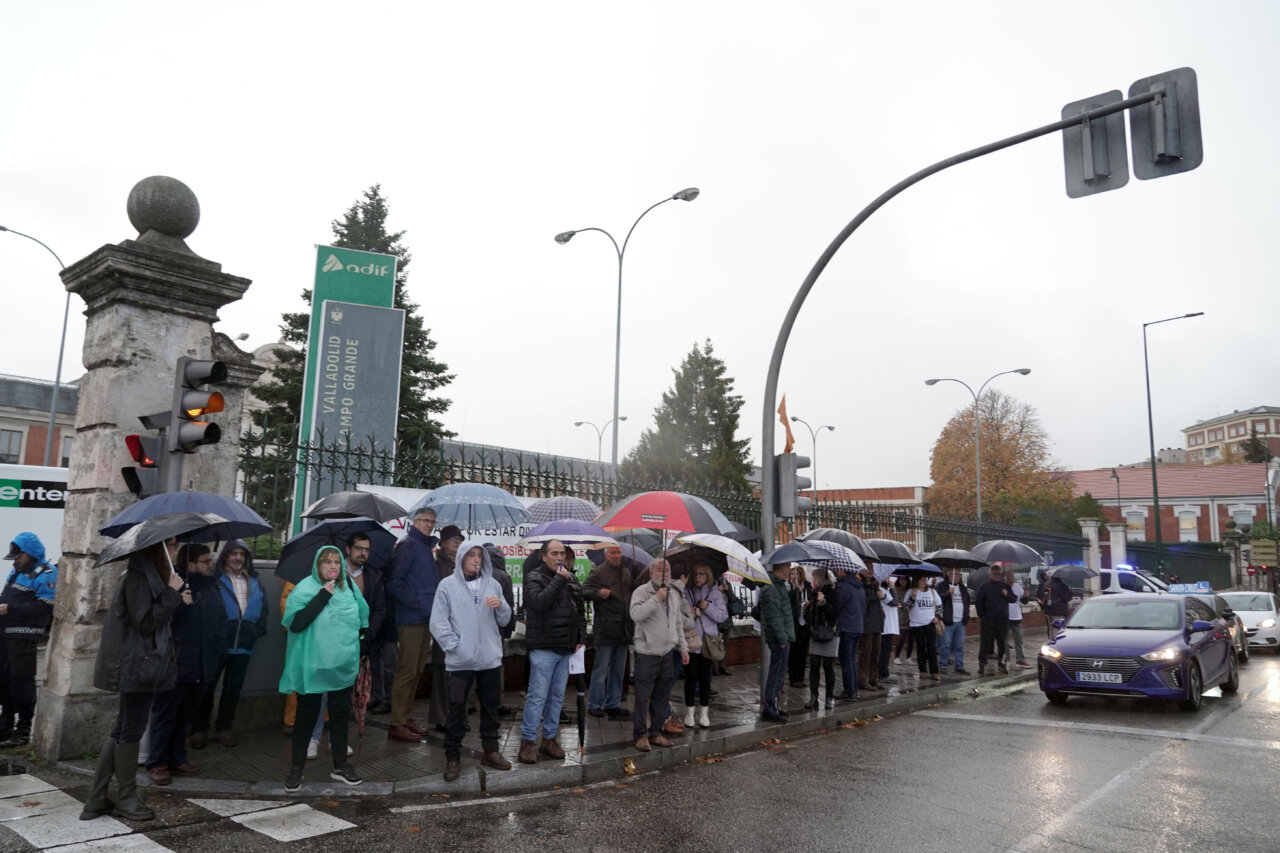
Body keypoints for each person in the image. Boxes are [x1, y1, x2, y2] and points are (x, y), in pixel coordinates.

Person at [82, 537, 184, 822]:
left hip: (139, 664)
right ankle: (126, 798)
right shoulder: (138, 577)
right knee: (130, 731)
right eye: (172, 544)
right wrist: (172, 594)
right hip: (137, 666)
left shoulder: (147, 576)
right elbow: (145, 622)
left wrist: (170, 593)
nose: (175, 549)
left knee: (122, 729)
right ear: (157, 549)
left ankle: (96, 798)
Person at [279, 545, 369, 793]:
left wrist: (360, 647)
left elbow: (362, 619)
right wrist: (321, 597)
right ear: (317, 565)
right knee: (305, 719)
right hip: (313, 667)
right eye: (326, 562)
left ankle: (340, 765)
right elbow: (295, 624)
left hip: (342, 667)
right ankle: (297, 768)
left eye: (336, 562)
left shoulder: (349, 588)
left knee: (340, 718)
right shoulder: (305, 589)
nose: (332, 567)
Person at [430, 540, 514, 781]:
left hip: (489, 660)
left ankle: (491, 751)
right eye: (471, 555)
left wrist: (501, 608)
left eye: (480, 555)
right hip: (461, 663)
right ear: (461, 558)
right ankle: (452, 758)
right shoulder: (447, 586)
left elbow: (505, 618)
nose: (476, 560)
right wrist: (455, 646)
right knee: (456, 710)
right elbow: (438, 622)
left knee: (491, 708)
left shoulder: (493, 584)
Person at [143, 544, 221, 785]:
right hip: (177, 661)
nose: (210, 565)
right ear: (191, 564)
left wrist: (217, 651)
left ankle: (178, 757)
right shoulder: (172, 584)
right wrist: (179, 603)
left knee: (186, 715)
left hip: (203, 662)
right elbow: (158, 621)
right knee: (165, 714)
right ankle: (157, 762)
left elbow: (218, 620)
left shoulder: (210, 586)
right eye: (205, 561)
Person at [190, 541, 267, 749]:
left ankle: (224, 728)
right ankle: (199, 730)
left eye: (242, 554)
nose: (238, 557)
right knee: (207, 688)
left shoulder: (255, 582)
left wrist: (257, 630)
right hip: (218, 644)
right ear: (224, 556)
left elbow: (264, 610)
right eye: (233, 553)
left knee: (233, 689)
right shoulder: (213, 580)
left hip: (244, 644)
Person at [519, 540, 586, 764]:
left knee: (557, 697)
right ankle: (528, 742)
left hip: (566, 647)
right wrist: (559, 579)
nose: (560, 557)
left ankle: (549, 738)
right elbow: (539, 603)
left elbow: (580, 610)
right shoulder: (534, 577)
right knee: (537, 697)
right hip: (544, 647)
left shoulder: (570, 576)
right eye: (555, 553)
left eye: (562, 553)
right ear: (543, 556)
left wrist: (581, 639)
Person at [386, 508, 440, 743]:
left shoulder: (426, 547)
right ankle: (396, 723)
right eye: (425, 521)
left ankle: (405, 717)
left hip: (425, 617)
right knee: (406, 670)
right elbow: (394, 582)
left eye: (432, 522)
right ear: (414, 522)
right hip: (410, 618)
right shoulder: (408, 545)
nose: (429, 525)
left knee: (417, 670)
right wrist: (417, 603)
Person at [0, 532, 57, 748]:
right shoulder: (16, 571)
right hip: (4, 634)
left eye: (18, 556)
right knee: (4, 681)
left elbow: (46, 607)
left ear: (30, 553)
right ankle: (5, 724)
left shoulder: (47, 573)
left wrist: (10, 609)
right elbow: (6, 597)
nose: (15, 560)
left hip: (24, 635)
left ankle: (23, 730)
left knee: (21, 682)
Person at [629, 558, 688, 750]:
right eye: (660, 570)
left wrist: (683, 647)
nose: (665, 573)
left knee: (662, 696)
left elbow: (678, 622)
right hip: (647, 652)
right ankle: (640, 735)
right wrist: (656, 599)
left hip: (667, 652)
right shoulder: (642, 591)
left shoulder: (673, 594)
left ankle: (655, 732)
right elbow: (636, 614)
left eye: (668, 570)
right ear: (651, 573)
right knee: (642, 696)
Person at [582, 544, 633, 720]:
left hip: (624, 627)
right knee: (601, 669)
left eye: (618, 552)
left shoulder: (626, 571)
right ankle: (594, 704)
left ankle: (613, 704)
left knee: (618, 670)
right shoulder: (598, 572)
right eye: (613, 553)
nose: (617, 555)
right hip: (606, 627)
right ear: (606, 555)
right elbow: (583, 591)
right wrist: (598, 593)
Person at [427, 524, 465, 731]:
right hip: (444, 624)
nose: (457, 543)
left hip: (461, 624)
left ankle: (458, 716)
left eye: (460, 539)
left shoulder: (462, 564)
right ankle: (441, 717)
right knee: (442, 672)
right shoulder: (437, 564)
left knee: (459, 672)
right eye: (453, 539)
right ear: (442, 543)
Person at [681, 561, 727, 728]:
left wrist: (707, 607)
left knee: (706, 679)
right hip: (691, 642)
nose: (697, 577)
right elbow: (679, 615)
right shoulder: (686, 591)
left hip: (707, 643)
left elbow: (722, 616)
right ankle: (689, 714)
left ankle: (704, 714)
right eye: (695, 574)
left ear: (708, 576)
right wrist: (691, 615)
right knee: (690, 679)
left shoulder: (715, 594)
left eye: (701, 574)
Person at [759, 558, 795, 723]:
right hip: (779, 638)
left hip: (783, 636)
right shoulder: (773, 589)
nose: (790, 570)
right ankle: (770, 709)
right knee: (775, 675)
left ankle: (775, 706)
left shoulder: (779, 586)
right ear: (781, 568)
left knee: (780, 675)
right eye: (788, 567)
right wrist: (782, 638)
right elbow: (774, 617)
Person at [803, 566, 840, 710]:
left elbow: (835, 613)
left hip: (829, 634)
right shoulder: (814, 593)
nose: (813, 581)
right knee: (814, 665)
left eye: (814, 578)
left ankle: (829, 697)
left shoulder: (833, 593)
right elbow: (811, 617)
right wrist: (808, 608)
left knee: (828, 666)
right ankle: (813, 697)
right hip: (816, 634)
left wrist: (824, 602)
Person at [975, 565, 1014, 676]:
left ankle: (1002, 664)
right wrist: (983, 617)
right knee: (985, 643)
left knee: (1002, 644)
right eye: (994, 573)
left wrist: (1007, 594)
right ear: (990, 574)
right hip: (988, 620)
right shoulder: (984, 587)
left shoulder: (1005, 586)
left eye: (998, 574)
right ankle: (982, 665)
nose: (997, 576)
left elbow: (1013, 599)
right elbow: (978, 603)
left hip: (1002, 620)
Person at [833, 563, 864, 702]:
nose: (837, 571)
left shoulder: (844, 586)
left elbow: (837, 604)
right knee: (851, 659)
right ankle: (854, 690)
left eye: (839, 569)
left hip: (847, 626)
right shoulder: (859, 586)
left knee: (846, 659)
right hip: (857, 625)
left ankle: (849, 691)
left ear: (843, 571)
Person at [903, 575, 942, 680]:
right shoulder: (911, 591)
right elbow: (906, 607)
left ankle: (934, 672)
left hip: (930, 623)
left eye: (925, 579)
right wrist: (913, 598)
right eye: (921, 579)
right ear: (916, 580)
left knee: (932, 648)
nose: (924, 581)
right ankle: (922, 671)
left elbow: (939, 605)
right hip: (917, 624)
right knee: (921, 648)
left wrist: (938, 617)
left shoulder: (932, 591)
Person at [936, 568, 971, 676]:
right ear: (949, 575)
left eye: (958, 575)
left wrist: (966, 617)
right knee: (945, 644)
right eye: (954, 575)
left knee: (959, 645)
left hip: (961, 621)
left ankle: (959, 666)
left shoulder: (963, 588)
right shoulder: (942, 585)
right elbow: (937, 600)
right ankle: (943, 665)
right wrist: (947, 593)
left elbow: (967, 602)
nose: (957, 577)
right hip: (948, 621)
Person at [857, 564, 886, 692]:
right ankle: (862, 679)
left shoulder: (875, 583)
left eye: (871, 568)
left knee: (876, 652)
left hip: (877, 623)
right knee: (866, 653)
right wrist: (876, 596)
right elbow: (863, 602)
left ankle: (873, 678)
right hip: (866, 624)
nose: (870, 570)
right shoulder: (860, 584)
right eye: (867, 567)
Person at [787, 566, 813, 688]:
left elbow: (813, 599)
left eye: (796, 574)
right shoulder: (788, 587)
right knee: (793, 653)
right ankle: (794, 679)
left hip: (805, 623)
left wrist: (809, 603)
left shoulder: (807, 586)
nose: (793, 576)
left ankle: (801, 678)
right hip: (794, 623)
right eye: (792, 574)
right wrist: (793, 590)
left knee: (803, 653)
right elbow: (788, 604)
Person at [1004, 570, 1030, 667]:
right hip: (1006, 617)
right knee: (1004, 639)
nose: (1011, 578)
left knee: (1018, 639)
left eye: (1012, 576)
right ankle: (1006, 658)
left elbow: (1024, 601)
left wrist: (1026, 596)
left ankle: (1020, 659)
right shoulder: (1003, 587)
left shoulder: (1018, 587)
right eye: (1009, 576)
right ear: (1006, 577)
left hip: (1017, 616)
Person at [877, 578, 900, 685]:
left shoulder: (886, 590)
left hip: (889, 626)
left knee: (886, 651)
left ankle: (883, 671)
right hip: (885, 626)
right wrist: (893, 588)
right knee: (884, 652)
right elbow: (894, 602)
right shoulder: (881, 589)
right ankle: (883, 673)